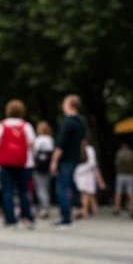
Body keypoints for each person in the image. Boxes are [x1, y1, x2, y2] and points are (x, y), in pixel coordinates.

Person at [0, 100, 35, 227]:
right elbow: (32, 142)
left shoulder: (0, 125)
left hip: (5, 163)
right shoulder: (26, 126)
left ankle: (10, 219)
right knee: (23, 191)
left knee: (7, 191)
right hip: (23, 163)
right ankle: (26, 216)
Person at [50, 95, 87, 227]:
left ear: (70, 106)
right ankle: (78, 205)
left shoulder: (67, 122)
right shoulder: (81, 122)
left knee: (62, 188)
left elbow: (61, 144)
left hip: (65, 159)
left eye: (64, 103)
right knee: (72, 183)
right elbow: (83, 142)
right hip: (75, 158)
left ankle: (66, 217)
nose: (62, 106)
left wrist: (54, 160)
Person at [74, 142, 105, 218]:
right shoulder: (90, 149)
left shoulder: (76, 149)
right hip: (88, 174)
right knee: (87, 194)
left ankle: (90, 210)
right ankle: (86, 211)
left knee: (85, 193)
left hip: (79, 172)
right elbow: (92, 164)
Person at [31, 122, 55, 218]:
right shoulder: (50, 140)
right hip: (48, 166)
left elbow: (34, 153)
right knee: (46, 187)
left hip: (39, 166)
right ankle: (47, 206)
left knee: (40, 188)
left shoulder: (38, 140)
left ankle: (44, 208)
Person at [114, 141, 133, 217]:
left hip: (120, 175)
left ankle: (117, 209)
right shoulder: (132, 154)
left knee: (118, 193)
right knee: (131, 193)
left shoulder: (119, 153)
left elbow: (116, 163)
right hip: (130, 175)